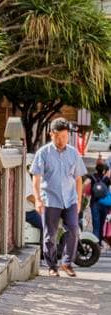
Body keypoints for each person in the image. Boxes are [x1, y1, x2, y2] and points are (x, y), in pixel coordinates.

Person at [31, 119, 87, 277]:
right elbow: (36, 177)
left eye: (64, 136)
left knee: (74, 230)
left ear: (67, 135)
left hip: (70, 199)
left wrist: (78, 200)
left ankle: (67, 262)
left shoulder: (73, 153)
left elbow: (78, 179)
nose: (62, 140)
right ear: (51, 135)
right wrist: (37, 199)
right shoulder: (43, 153)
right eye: (58, 136)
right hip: (50, 199)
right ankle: (52, 266)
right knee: (50, 235)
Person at [88, 158, 111, 240]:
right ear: (104, 170)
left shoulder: (92, 177)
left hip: (94, 202)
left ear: (96, 169)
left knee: (95, 224)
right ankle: (100, 242)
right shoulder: (107, 180)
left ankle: (95, 243)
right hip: (104, 203)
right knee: (102, 223)